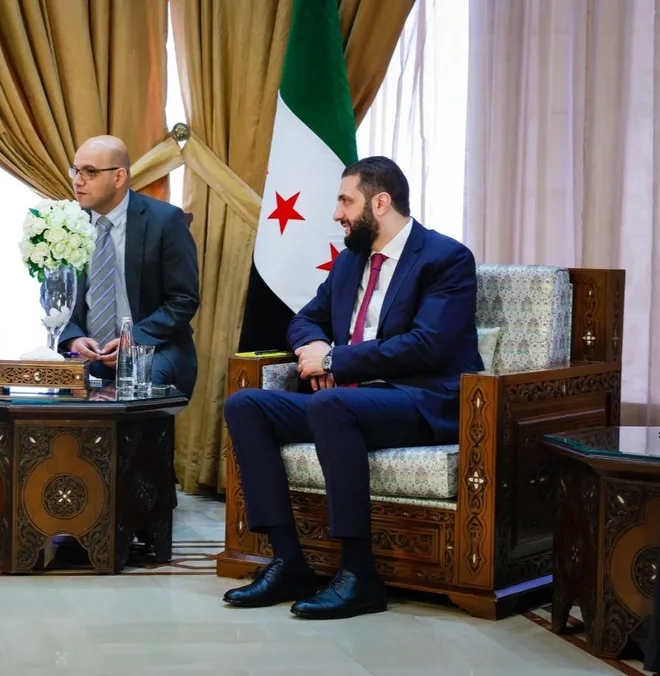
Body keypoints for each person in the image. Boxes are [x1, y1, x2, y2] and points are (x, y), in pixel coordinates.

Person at [220, 156, 482, 620]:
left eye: (346, 201)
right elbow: (305, 319)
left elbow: (428, 344)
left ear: (380, 203)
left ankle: (360, 575)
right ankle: (289, 561)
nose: (337, 213)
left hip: (418, 401)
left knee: (331, 404)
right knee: (246, 406)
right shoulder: (349, 262)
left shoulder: (445, 258)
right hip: (349, 404)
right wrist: (316, 344)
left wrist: (335, 361)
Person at [58, 135, 201, 396]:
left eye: (90, 172)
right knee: (46, 387)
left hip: (153, 346)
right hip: (87, 352)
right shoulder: (66, 224)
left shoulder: (165, 221)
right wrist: (73, 338)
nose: (77, 181)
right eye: (75, 170)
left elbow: (183, 300)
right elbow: (57, 295)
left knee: (139, 385)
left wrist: (132, 339)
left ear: (119, 177)